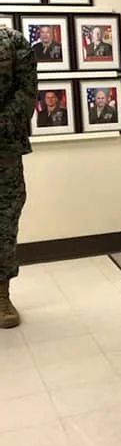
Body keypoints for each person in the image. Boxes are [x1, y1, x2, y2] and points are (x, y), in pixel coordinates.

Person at [0, 26, 37, 327]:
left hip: (3, 150)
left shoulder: (13, 42)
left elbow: (26, 93)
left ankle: (1, 293)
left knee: (4, 222)